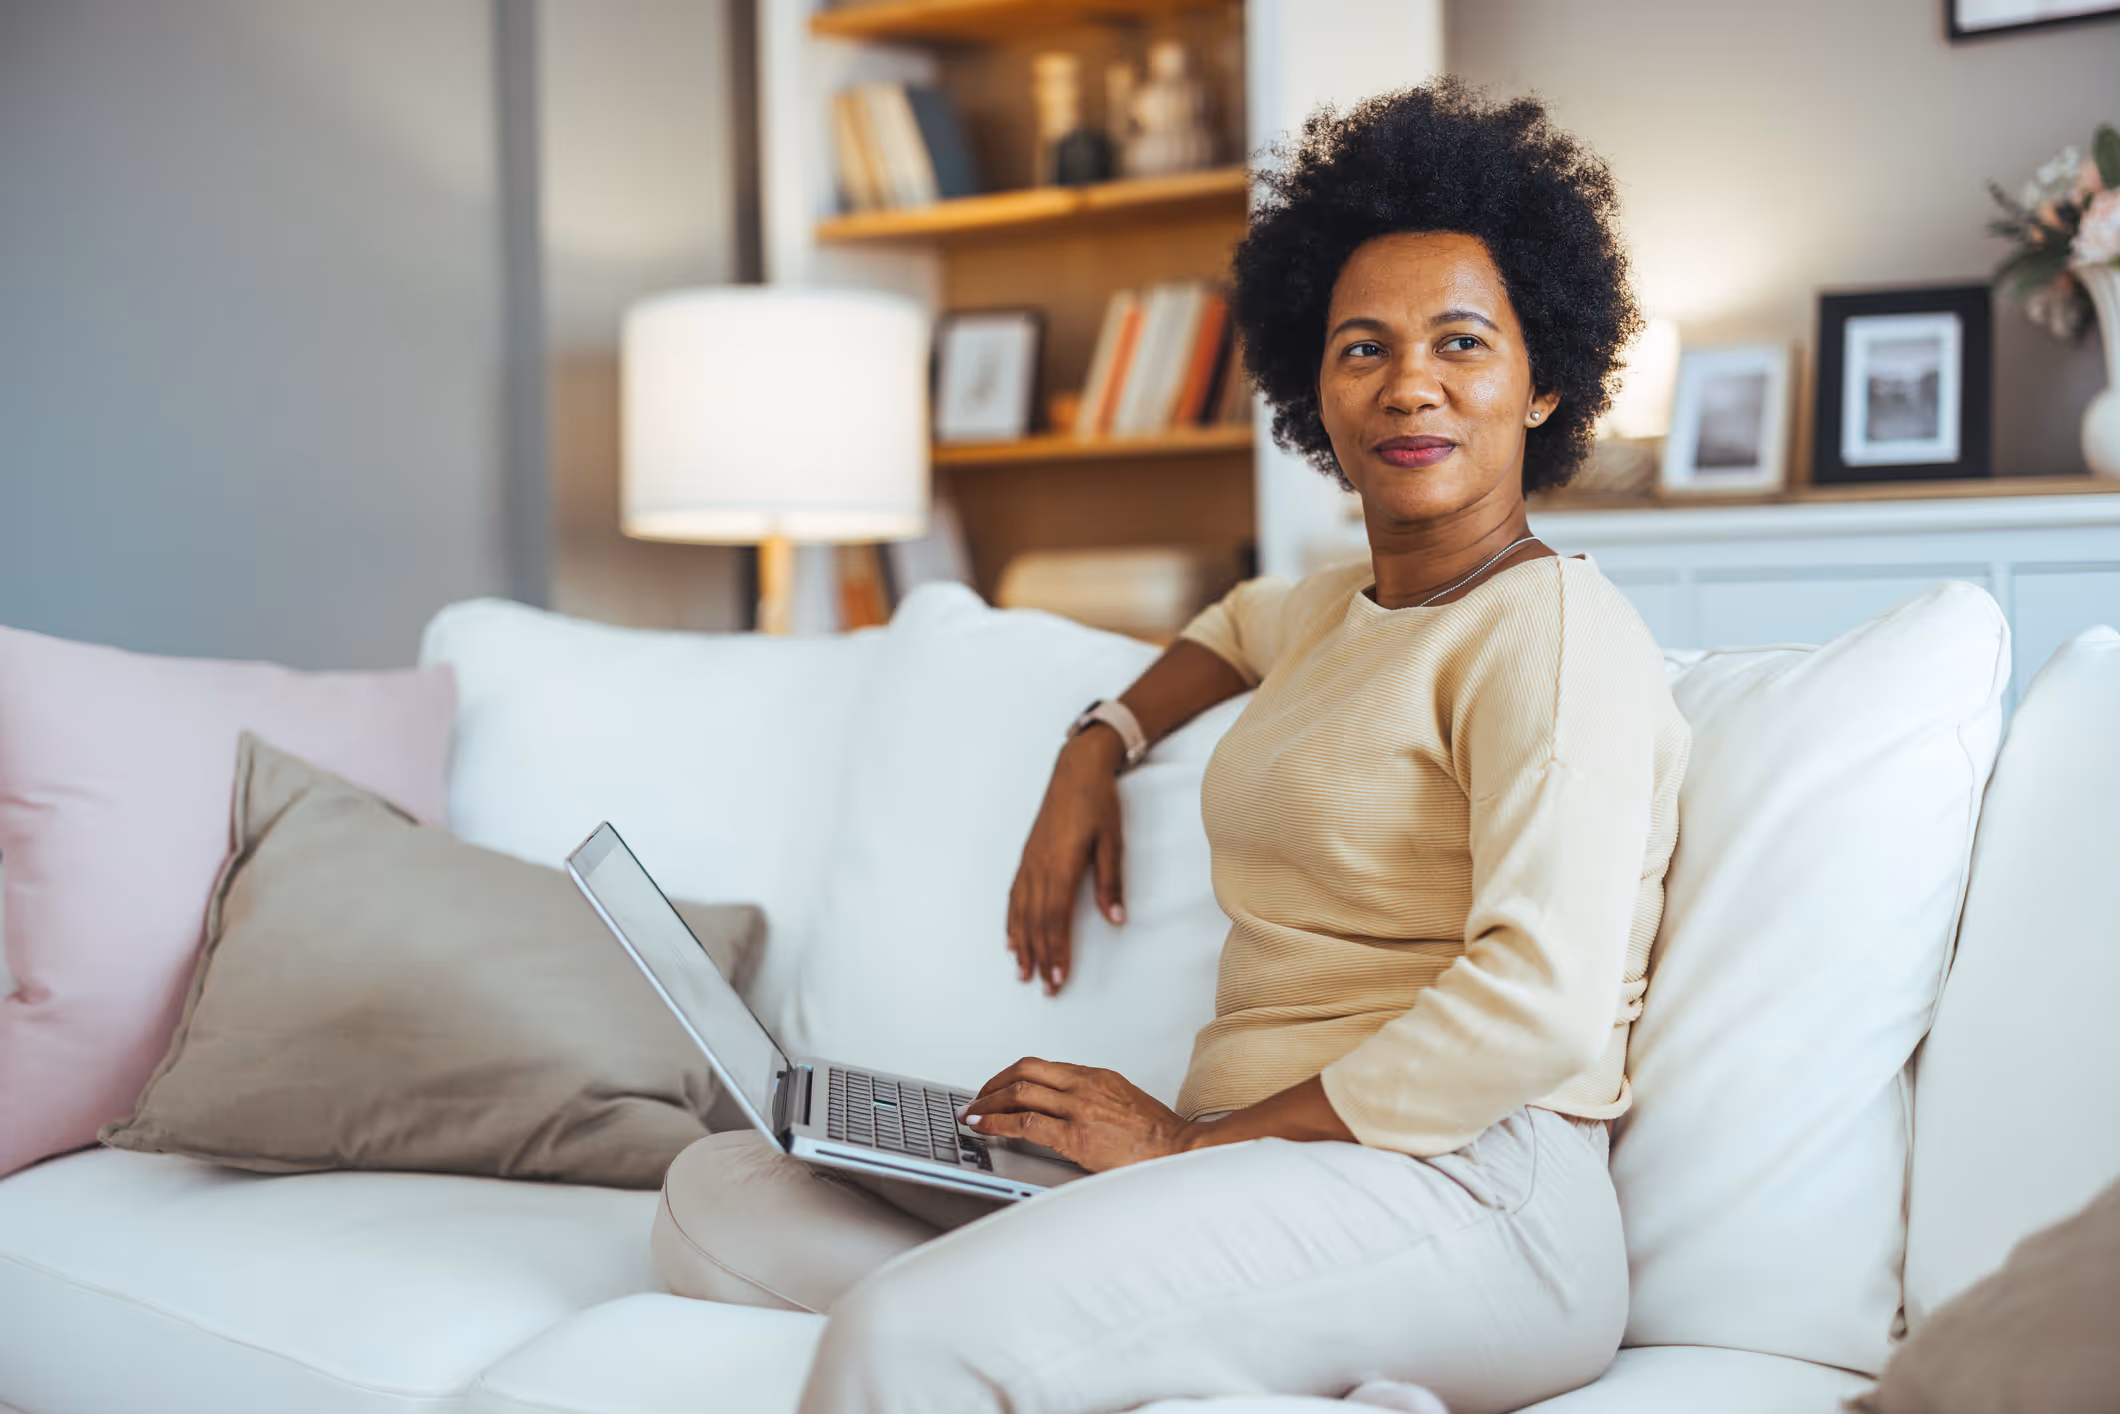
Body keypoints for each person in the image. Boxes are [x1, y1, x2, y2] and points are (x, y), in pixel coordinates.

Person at [654, 78, 1691, 1414]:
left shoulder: (1555, 631)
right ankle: (1118, 1348)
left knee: (900, 1341)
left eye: (1462, 342)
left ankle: (1002, 1338)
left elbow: (1535, 1005)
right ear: (1314, 387)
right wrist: (1100, 739)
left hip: (1466, 1189)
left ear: (1545, 377)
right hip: (1240, 1180)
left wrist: (1184, 1141)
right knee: (719, 1194)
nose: (1409, 385)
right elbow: (1237, 622)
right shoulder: (1338, 608)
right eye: (1362, 347)